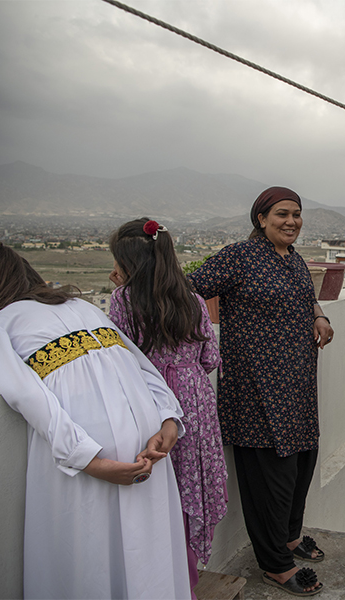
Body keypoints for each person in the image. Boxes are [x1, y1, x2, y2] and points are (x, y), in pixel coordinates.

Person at [0, 243, 191, 599]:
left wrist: (90, 460)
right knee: (148, 550)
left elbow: (29, 397)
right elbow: (140, 364)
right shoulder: (82, 307)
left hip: (89, 455)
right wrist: (168, 420)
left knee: (90, 557)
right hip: (150, 446)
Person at [187, 186, 333, 597]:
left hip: (298, 386)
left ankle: (288, 538)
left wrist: (319, 315)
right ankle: (274, 564)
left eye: (297, 215)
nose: (291, 221)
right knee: (271, 478)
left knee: (302, 465)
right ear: (261, 219)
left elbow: (308, 299)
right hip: (256, 390)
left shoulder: (295, 259)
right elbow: (189, 287)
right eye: (282, 214)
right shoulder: (240, 256)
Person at [107, 217, 227, 599]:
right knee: (192, 486)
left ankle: (167, 581)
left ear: (131, 264)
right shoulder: (192, 300)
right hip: (195, 403)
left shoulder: (123, 300)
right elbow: (211, 356)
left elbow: (119, 358)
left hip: (153, 404)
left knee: (161, 492)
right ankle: (187, 580)